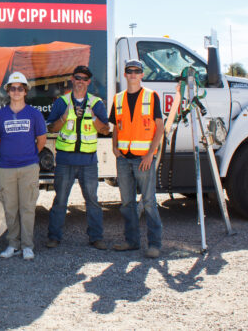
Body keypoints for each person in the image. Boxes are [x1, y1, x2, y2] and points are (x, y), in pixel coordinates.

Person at [45, 66, 111, 250]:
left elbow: (105, 129)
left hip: (88, 161)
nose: (80, 81)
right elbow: (51, 128)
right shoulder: (62, 102)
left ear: (89, 82)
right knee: (60, 200)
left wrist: (93, 117)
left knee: (92, 200)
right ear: (72, 80)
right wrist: (64, 118)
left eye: (84, 78)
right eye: (77, 77)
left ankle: (96, 237)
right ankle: (54, 237)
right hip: (65, 160)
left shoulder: (97, 103)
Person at [110, 59, 165, 258]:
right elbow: (116, 125)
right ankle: (131, 241)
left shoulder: (151, 96)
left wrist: (151, 154)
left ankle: (154, 244)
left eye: (136, 71)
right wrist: (114, 146)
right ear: (124, 74)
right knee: (126, 203)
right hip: (124, 159)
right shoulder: (118, 98)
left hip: (144, 159)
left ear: (142, 74)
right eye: (129, 71)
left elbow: (159, 126)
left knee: (149, 201)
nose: (132, 74)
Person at [0, 72, 47, 261]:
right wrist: (10, 154)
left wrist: (29, 155)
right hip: (7, 167)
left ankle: (27, 246)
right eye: (13, 88)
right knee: (10, 207)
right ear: (8, 91)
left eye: (20, 88)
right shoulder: (0, 115)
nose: (16, 91)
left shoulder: (34, 114)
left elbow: (41, 140)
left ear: (25, 92)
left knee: (28, 207)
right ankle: (13, 244)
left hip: (29, 167)